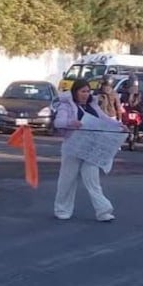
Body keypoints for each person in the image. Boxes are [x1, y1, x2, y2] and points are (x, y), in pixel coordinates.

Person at [53, 78, 116, 222]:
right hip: (73, 147)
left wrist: (118, 126)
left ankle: (103, 210)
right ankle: (62, 209)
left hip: (90, 148)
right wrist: (71, 122)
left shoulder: (92, 106)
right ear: (75, 92)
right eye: (83, 91)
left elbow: (105, 119)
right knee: (67, 180)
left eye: (88, 91)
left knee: (93, 181)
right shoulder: (66, 106)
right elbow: (58, 122)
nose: (85, 94)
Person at [120, 76, 143, 145]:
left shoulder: (139, 94)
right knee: (122, 123)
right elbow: (121, 103)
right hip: (131, 113)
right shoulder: (126, 94)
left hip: (136, 113)